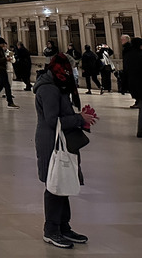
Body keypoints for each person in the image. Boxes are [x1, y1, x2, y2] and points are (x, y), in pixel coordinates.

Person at [34, 54, 96, 249]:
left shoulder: (58, 86)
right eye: (71, 68)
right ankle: (51, 230)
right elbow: (52, 120)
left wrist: (80, 119)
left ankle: (63, 226)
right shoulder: (49, 89)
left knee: (63, 182)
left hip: (61, 140)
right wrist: (79, 118)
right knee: (54, 184)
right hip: (51, 143)